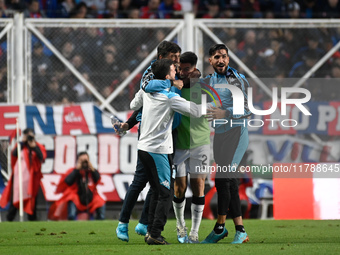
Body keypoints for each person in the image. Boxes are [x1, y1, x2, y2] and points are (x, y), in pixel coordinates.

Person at [130, 58, 206, 245]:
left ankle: (150, 232)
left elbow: (133, 105)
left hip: (143, 149)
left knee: (156, 190)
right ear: (166, 76)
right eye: (174, 69)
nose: (177, 71)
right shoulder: (170, 97)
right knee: (165, 192)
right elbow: (195, 111)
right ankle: (155, 233)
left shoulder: (147, 91)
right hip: (158, 150)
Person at [115, 41, 182, 242]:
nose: (177, 60)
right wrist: (129, 123)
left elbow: (190, 96)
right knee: (141, 181)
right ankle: (123, 223)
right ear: (162, 58)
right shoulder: (153, 75)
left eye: (179, 56)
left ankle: (145, 224)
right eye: (173, 57)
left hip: (170, 136)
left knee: (158, 185)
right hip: (152, 137)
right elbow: (144, 96)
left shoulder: (178, 74)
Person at [202, 44, 250, 244]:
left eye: (223, 56)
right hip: (220, 133)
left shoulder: (235, 80)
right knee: (224, 181)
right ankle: (237, 230)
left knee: (226, 179)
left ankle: (223, 228)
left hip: (236, 133)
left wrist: (225, 113)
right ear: (210, 61)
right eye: (216, 57)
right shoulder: (209, 80)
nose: (220, 60)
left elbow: (247, 108)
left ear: (228, 59)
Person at [171, 52, 210, 243]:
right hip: (178, 143)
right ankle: (180, 225)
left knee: (198, 186)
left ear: (194, 68)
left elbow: (197, 110)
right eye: (180, 68)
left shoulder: (200, 87)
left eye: (186, 69)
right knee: (180, 188)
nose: (182, 72)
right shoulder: (174, 85)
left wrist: (193, 84)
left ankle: (194, 231)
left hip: (200, 143)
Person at [0, 128, 47, 221]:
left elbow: (42, 157)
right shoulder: (21, 146)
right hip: (19, 179)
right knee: (15, 201)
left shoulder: (37, 146)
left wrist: (34, 146)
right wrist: (22, 143)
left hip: (32, 180)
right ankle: (9, 220)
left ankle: (32, 221)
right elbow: (14, 154)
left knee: (32, 203)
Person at [48, 151, 105, 220]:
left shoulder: (91, 171)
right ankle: (71, 217)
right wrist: (77, 170)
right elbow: (67, 181)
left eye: (86, 160)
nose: (84, 163)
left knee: (100, 200)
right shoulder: (73, 171)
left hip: (91, 197)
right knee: (71, 198)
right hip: (77, 196)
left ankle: (100, 218)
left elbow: (98, 179)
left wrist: (91, 168)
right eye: (82, 160)